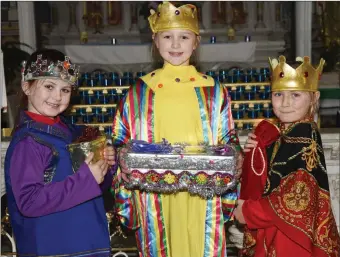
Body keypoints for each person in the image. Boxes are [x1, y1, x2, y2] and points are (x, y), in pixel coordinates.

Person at [111, 2, 243, 257]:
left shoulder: (214, 90)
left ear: (196, 42)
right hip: (154, 194)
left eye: (183, 37)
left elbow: (228, 137)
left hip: (202, 192)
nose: (175, 45)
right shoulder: (139, 91)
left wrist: (235, 154)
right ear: (155, 41)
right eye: (167, 37)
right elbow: (120, 138)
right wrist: (123, 156)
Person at [4, 49, 117, 257]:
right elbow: (29, 202)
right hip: (53, 248)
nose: (57, 97)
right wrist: (87, 180)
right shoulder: (29, 142)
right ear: (26, 87)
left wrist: (106, 166)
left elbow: (94, 188)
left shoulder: (72, 132)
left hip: (86, 243)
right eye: (49, 86)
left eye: (65, 90)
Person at [234, 55, 340, 257]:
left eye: (296, 95)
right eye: (278, 94)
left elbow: (295, 198)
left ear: (314, 98)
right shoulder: (288, 133)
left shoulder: (304, 134)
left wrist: (248, 212)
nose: (285, 103)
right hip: (281, 232)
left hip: (289, 239)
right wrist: (259, 152)